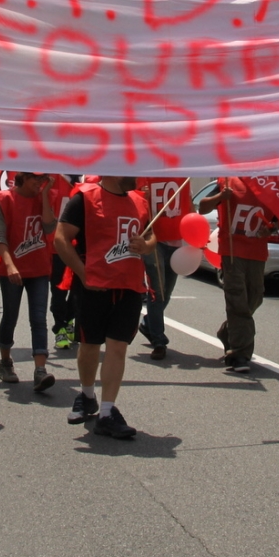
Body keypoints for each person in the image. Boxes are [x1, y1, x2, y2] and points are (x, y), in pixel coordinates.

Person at [54, 176, 151, 440]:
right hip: (94, 287)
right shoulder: (83, 199)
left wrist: (147, 245)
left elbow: (151, 235)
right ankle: (87, 396)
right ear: (111, 170)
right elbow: (61, 239)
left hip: (129, 286)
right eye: (128, 168)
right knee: (90, 346)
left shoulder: (140, 201)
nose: (136, 175)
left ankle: (107, 412)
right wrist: (84, 274)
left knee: (117, 346)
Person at [197, 177, 277, 373]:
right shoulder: (227, 180)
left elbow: (278, 218)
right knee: (237, 299)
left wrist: (270, 228)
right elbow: (202, 208)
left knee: (255, 297)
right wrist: (220, 196)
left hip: (256, 251)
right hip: (232, 251)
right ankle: (239, 354)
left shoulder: (270, 183)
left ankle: (228, 331)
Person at [0, 172, 57, 392]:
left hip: (39, 268)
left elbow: (49, 228)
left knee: (38, 318)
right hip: (13, 269)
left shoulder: (43, 199)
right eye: (35, 179)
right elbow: (0, 237)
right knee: (10, 315)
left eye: (42, 179)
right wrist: (9, 265)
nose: (39, 183)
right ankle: (5, 361)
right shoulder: (6, 199)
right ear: (22, 178)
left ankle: (40, 370)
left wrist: (46, 195)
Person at [136, 176, 190, 361]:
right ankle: (159, 341)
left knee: (166, 292)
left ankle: (148, 323)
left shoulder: (183, 174)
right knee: (157, 291)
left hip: (176, 238)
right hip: (154, 238)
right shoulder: (146, 174)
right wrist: (143, 196)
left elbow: (188, 203)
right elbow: (132, 200)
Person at [47, 174, 78, 349]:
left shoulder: (89, 179)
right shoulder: (53, 179)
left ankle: (69, 320)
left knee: (78, 290)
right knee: (58, 290)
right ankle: (59, 328)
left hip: (81, 246)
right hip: (57, 246)